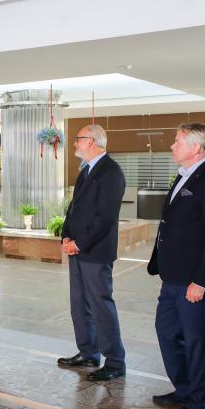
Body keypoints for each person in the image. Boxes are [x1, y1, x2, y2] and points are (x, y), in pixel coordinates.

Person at [147, 123, 205, 409]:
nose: (172, 146)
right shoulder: (185, 175)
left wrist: (201, 281)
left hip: (195, 280)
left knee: (197, 343)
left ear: (196, 147)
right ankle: (184, 390)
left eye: (177, 141)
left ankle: (199, 405)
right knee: (167, 333)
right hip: (173, 278)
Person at [58, 124, 127, 381]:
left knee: (100, 306)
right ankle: (88, 352)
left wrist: (80, 243)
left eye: (78, 139)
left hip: (95, 252)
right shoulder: (86, 170)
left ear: (91, 141)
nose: (75, 143)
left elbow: (105, 217)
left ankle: (115, 361)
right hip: (78, 250)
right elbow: (73, 208)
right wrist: (66, 235)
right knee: (79, 304)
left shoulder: (111, 172)